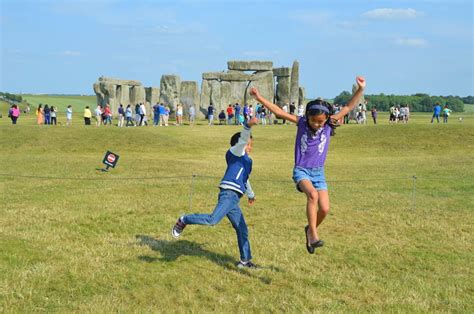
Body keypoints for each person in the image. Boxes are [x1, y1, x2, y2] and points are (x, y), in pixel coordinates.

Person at [250, 76, 366, 254]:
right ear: (308, 118)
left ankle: (309, 229)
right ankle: (313, 234)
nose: (317, 124)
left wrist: (360, 89)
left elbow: (349, 107)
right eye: (314, 121)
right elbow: (280, 113)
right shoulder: (302, 123)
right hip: (301, 170)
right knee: (312, 195)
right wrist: (259, 98)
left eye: (320, 121)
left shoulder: (329, 124)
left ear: (326, 118)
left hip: (319, 173)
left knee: (325, 209)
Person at [172, 117, 259, 268]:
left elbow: (246, 179)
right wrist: (248, 126)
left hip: (235, 199)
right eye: (248, 144)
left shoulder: (248, 161)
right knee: (212, 220)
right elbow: (243, 139)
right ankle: (184, 220)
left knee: (242, 229)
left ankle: (245, 261)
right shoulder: (234, 153)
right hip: (228, 194)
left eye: (251, 145)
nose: (250, 147)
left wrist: (251, 194)